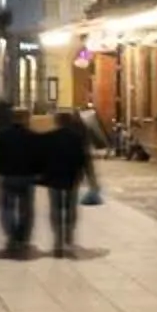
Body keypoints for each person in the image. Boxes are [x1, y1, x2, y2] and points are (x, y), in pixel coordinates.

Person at [37, 110, 93, 259]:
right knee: (70, 208)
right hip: (72, 177)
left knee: (55, 208)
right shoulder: (77, 138)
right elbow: (85, 159)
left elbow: (41, 158)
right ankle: (68, 234)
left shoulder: (49, 137)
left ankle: (57, 239)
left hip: (54, 178)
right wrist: (90, 178)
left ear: (57, 122)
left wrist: (39, 175)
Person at [0, 102, 39, 256]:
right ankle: (22, 238)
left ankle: (11, 235)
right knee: (26, 210)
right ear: (26, 118)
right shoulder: (32, 136)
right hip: (26, 177)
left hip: (7, 176)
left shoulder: (3, 134)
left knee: (6, 208)